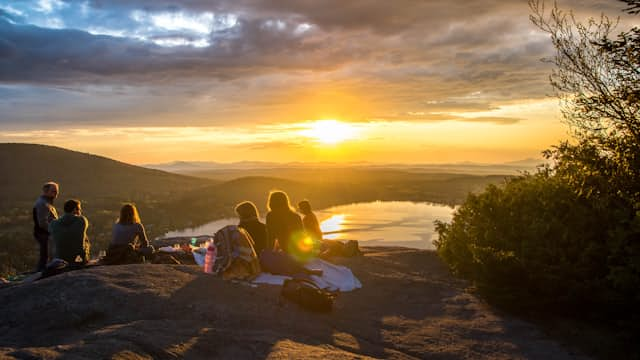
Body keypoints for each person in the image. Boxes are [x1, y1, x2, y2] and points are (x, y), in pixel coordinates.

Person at [48, 199, 90, 265]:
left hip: (60, 260)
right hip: (79, 260)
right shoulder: (82, 220)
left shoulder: (53, 224)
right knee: (85, 239)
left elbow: (57, 226)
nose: (80, 212)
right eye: (79, 209)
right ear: (74, 210)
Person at [32, 181, 59, 271]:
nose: (56, 193)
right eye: (53, 191)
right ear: (45, 191)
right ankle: (41, 274)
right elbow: (42, 222)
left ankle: (42, 272)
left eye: (56, 191)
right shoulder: (42, 204)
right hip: (44, 233)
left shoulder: (47, 203)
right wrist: (53, 230)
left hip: (45, 233)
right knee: (45, 256)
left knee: (46, 255)